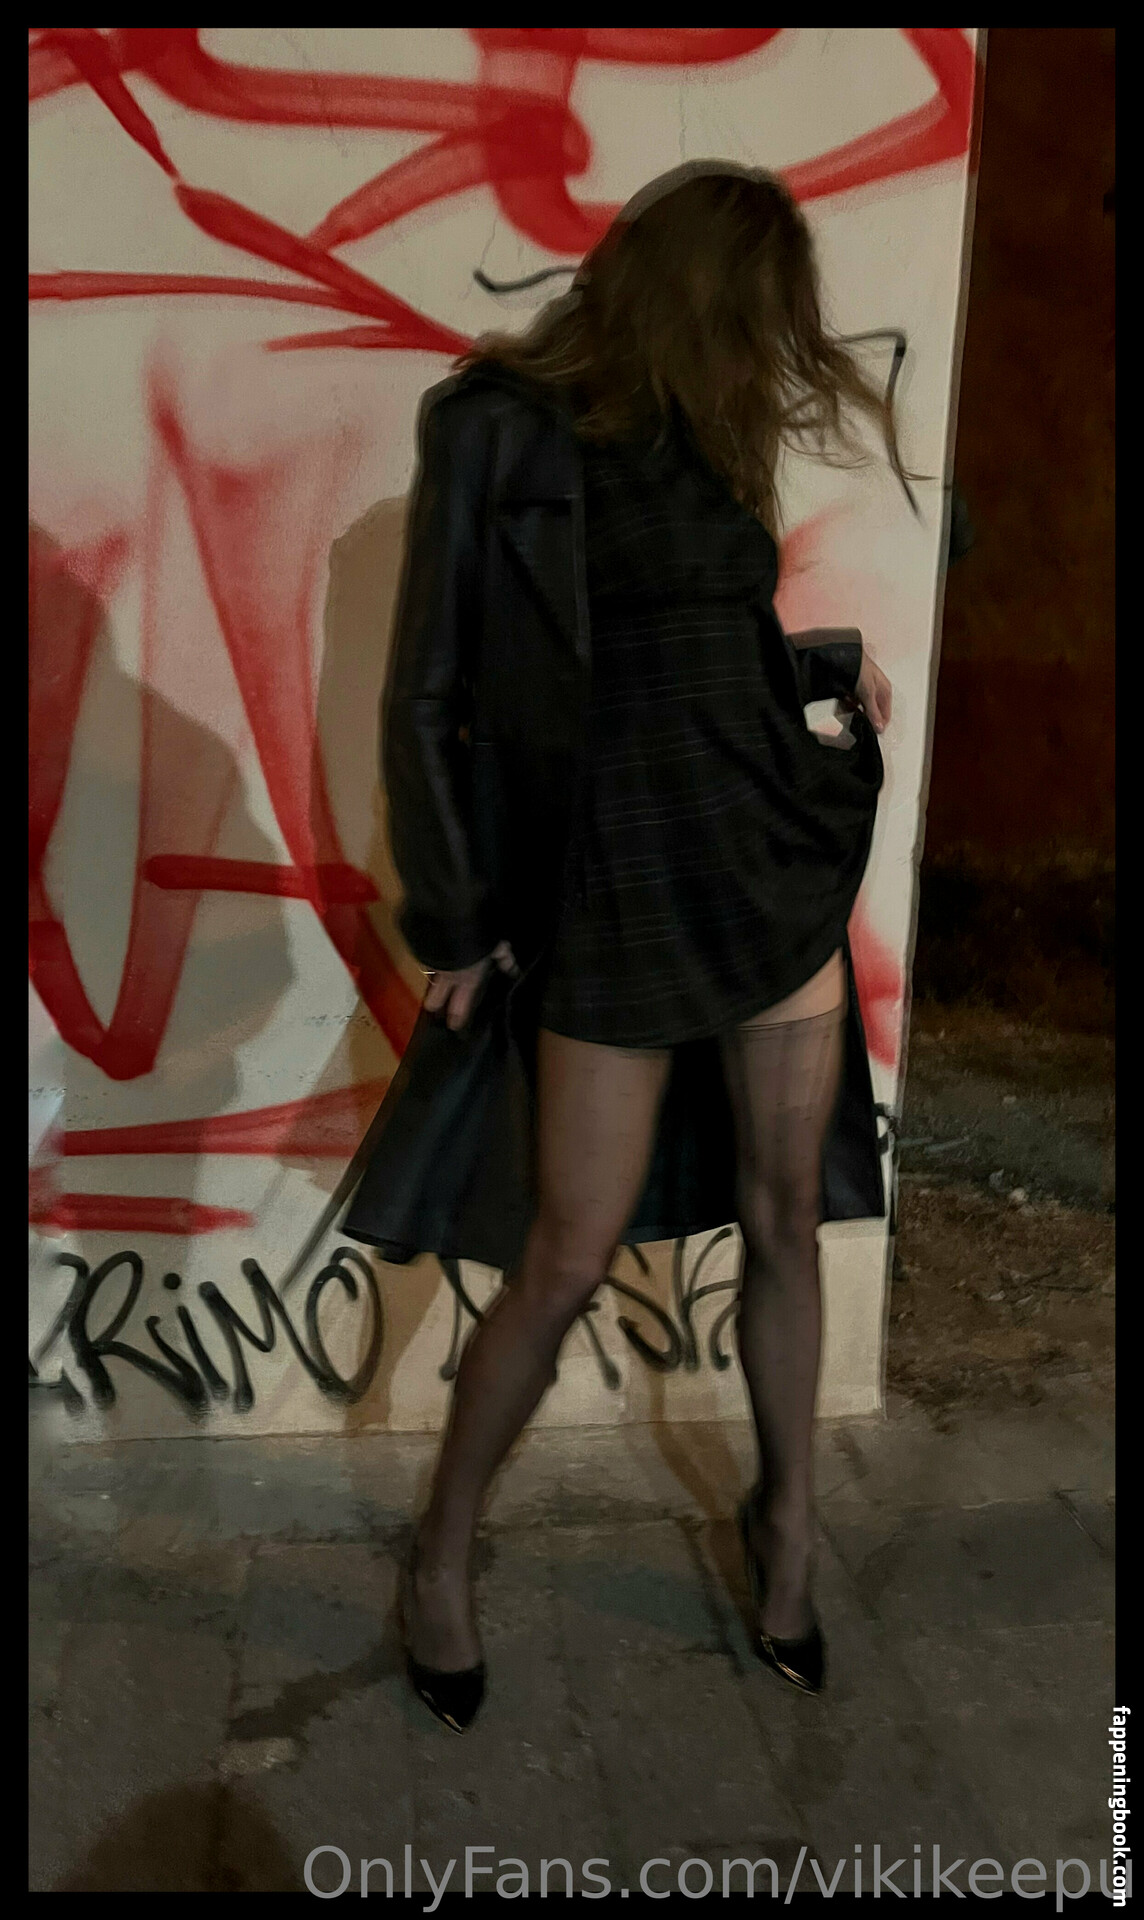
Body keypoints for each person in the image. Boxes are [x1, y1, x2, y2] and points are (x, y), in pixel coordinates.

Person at [343, 162, 911, 1732]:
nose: (768, 349)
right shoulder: (493, 427)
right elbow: (430, 694)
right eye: (753, 313)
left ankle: (788, 1533)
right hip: (608, 889)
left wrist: (823, 669)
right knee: (570, 1253)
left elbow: (697, 641)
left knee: (784, 1214)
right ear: (690, 293)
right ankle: (441, 1553)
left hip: (757, 856)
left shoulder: (710, 422)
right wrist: (457, 917)